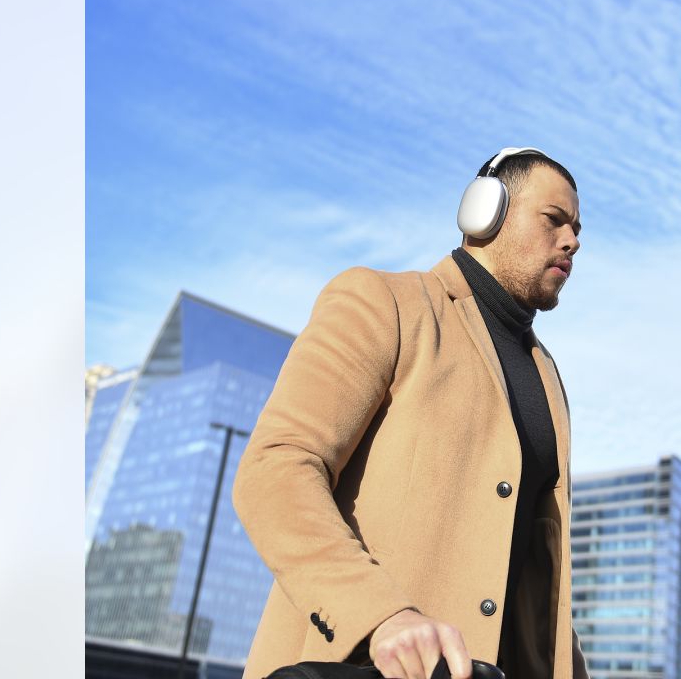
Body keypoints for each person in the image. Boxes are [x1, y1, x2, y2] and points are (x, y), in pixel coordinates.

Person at [232, 148, 589, 679]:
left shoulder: (548, 378)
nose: (572, 241)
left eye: (578, 229)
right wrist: (381, 616)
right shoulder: (386, 303)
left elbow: (538, 584)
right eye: (554, 220)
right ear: (485, 211)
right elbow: (277, 468)